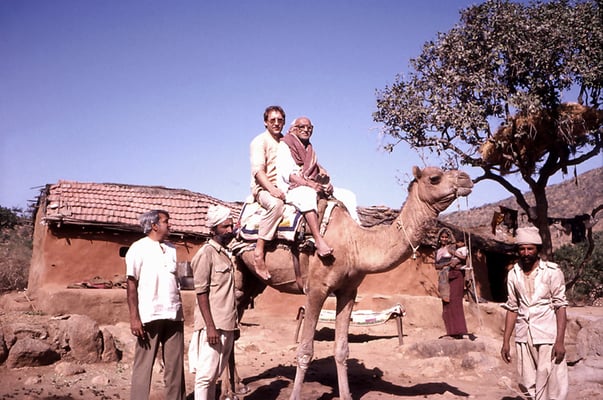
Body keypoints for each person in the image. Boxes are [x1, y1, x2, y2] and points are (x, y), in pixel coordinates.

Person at [501, 226, 568, 400]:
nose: (526, 253)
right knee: (528, 379)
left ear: (537, 249)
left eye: (530, 248)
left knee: (552, 380)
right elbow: (512, 307)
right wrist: (506, 341)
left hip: (547, 334)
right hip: (524, 336)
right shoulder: (513, 274)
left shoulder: (552, 272)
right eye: (522, 249)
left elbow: (560, 307)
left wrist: (560, 341)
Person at [125, 210, 186, 400]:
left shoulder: (171, 248)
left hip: (173, 313)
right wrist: (134, 318)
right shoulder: (138, 248)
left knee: (175, 367)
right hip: (149, 315)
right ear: (154, 225)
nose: (170, 225)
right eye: (166, 222)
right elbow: (131, 284)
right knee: (144, 365)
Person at [188, 205, 238, 400]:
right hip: (213, 325)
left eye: (231, 225)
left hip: (226, 323)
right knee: (205, 376)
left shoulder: (224, 253)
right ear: (213, 229)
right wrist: (210, 326)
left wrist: (234, 326)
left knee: (214, 375)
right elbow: (201, 292)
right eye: (225, 226)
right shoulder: (205, 254)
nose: (229, 230)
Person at [249, 105, 287, 280]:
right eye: (273, 120)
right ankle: (259, 251)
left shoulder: (286, 141)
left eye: (280, 120)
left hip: (286, 187)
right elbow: (258, 172)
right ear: (266, 122)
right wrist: (272, 189)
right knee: (276, 205)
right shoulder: (260, 141)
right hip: (264, 188)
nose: (277, 123)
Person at [434, 227, 469, 339]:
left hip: (456, 276)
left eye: (446, 237)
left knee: (455, 301)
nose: (444, 239)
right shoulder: (437, 251)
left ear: (449, 238)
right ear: (439, 239)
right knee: (446, 303)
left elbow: (463, 259)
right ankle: (450, 331)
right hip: (444, 279)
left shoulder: (454, 248)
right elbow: (436, 266)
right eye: (442, 237)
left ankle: (459, 330)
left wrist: (450, 264)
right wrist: (447, 264)